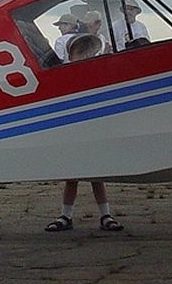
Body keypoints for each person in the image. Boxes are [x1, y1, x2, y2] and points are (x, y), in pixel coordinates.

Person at [43, 32, 123, 232]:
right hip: (72, 130)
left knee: (97, 176)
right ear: (70, 54)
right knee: (72, 176)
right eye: (80, 52)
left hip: (92, 129)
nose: (84, 55)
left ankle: (105, 214)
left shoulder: (94, 73)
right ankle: (66, 215)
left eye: (87, 52)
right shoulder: (63, 73)